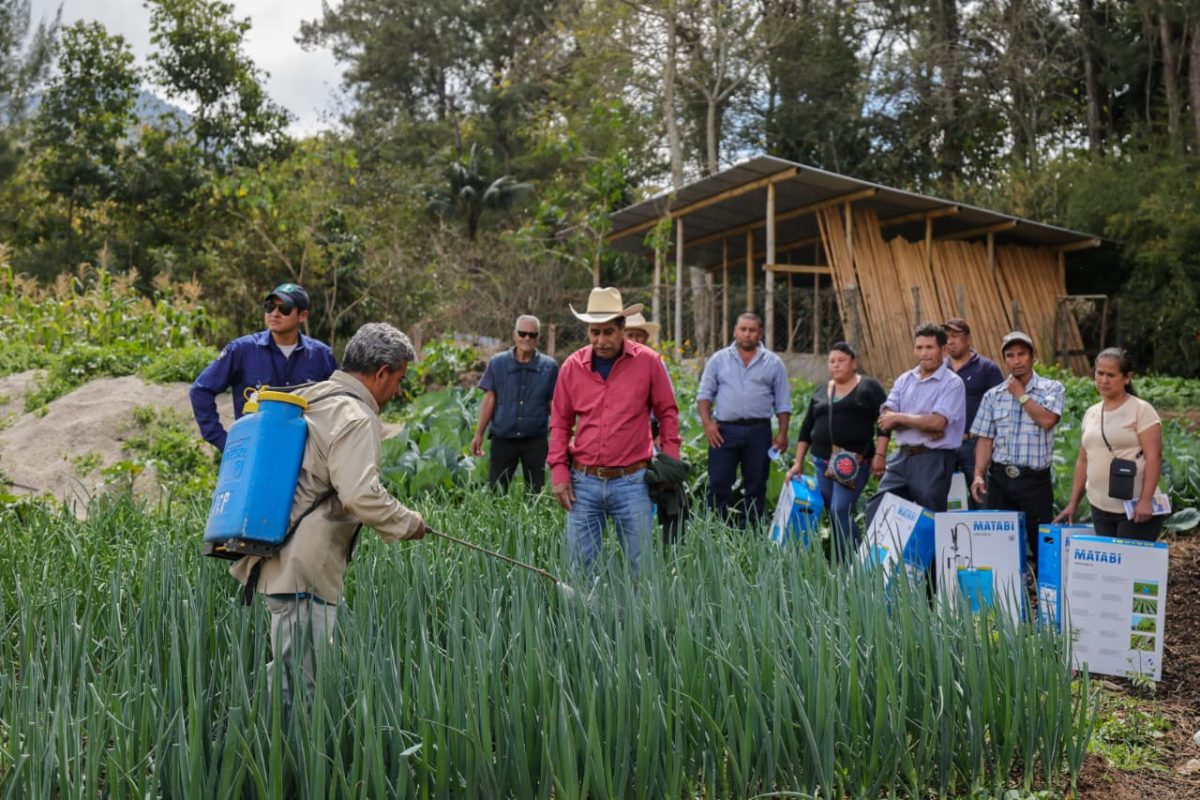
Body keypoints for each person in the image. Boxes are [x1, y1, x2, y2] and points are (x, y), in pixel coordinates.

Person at [229, 322, 426, 702]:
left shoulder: (315, 396)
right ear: (382, 372)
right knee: (298, 686)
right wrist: (409, 524)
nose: (398, 390)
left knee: (290, 672)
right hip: (308, 566)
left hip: (279, 558)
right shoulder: (355, 415)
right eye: (399, 379)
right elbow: (360, 494)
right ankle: (262, 739)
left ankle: (258, 733)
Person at [548, 287, 681, 576]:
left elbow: (668, 412)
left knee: (641, 567)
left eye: (608, 332)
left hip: (632, 481)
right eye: (594, 332)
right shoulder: (572, 367)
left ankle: (639, 609)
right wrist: (559, 471)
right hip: (583, 482)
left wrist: (670, 461)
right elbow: (560, 423)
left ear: (623, 328)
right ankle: (585, 609)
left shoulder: (649, 362)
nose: (601, 340)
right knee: (581, 567)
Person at [190, 283, 338, 452]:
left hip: (305, 457)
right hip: (253, 454)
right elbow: (200, 391)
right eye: (270, 306)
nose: (274, 313)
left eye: (284, 309)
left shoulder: (322, 356)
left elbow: (338, 404)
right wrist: (224, 441)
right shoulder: (241, 350)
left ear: (302, 316)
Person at [970, 331, 1065, 573]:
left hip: (1035, 482)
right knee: (999, 546)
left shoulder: (1051, 389)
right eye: (1010, 355)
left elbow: (1047, 420)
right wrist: (979, 474)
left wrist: (1021, 395)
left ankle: (1043, 592)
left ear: (1033, 357)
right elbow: (985, 438)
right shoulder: (993, 396)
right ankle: (1007, 593)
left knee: (1041, 544)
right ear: (1004, 360)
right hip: (1000, 480)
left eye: (1022, 354)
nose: (1016, 360)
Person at [786, 342, 889, 554]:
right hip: (822, 462)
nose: (836, 365)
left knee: (840, 509)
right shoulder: (821, 390)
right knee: (833, 512)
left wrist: (880, 454)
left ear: (854, 363)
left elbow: (884, 423)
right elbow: (806, 428)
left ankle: (857, 559)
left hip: (853, 461)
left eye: (841, 360)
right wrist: (798, 462)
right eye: (832, 361)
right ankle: (842, 560)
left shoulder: (868, 387)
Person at [1055, 348, 1165, 541]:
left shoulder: (1141, 410)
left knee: (1128, 560)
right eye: (1100, 373)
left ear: (1127, 378)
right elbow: (1083, 460)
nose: (1104, 380)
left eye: (1111, 375)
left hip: (1134, 508)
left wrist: (1146, 500)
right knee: (1108, 561)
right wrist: (1073, 503)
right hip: (1100, 508)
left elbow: (1154, 457)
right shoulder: (1091, 413)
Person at [697, 312, 792, 527]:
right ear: (735, 331)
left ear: (760, 333)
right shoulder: (718, 360)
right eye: (743, 329)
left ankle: (750, 532)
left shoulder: (773, 363)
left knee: (756, 485)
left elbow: (783, 403)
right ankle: (716, 529)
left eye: (752, 330)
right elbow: (704, 395)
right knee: (719, 482)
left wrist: (782, 433)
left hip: (759, 431)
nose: (747, 334)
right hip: (724, 432)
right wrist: (707, 424)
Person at [866, 322, 966, 524]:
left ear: (943, 350)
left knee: (929, 518)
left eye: (929, 347)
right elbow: (885, 418)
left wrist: (899, 418)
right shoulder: (905, 379)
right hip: (902, 457)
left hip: (933, 459)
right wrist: (922, 422)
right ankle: (879, 548)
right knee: (877, 509)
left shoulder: (953, 383)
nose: (924, 353)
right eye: (919, 347)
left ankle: (931, 548)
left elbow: (937, 423)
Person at [470, 315, 559, 492]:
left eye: (532, 335)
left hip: (535, 440)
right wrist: (479, 434)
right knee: (497, 490)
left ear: (538, 339)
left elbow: (554, 404)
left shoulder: (549, 367)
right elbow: (489, 399)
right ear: (514, 335)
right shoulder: (497, 363)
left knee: (535, 491)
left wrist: (561, 435)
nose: (527, 338)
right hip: (503, 438)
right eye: (522, 333)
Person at [943, 317, 1003, 502]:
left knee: (981, 497)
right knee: (947, 500)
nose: (950, 341)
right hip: (945, 445)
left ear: (968, 339)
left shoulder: (987, 368)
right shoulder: (940, 369)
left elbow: (999, 409)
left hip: (975, 444)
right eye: (946, 337)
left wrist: (991, 442)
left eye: (955, 336)